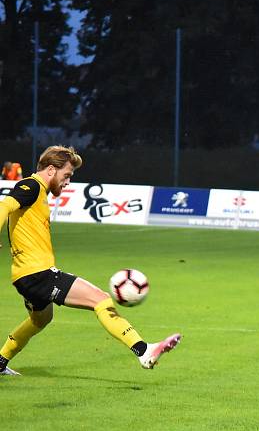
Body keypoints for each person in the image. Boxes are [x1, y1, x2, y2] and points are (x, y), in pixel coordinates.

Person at [0, 146, 181, 377]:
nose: (67, 183)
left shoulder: (39, 193)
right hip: (38, 273)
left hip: (25, 275)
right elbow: (4, 205)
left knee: (40, 319)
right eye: (66, 176)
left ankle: (1, 360)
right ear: (51, 170)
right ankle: (144, 351)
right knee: (101, 300)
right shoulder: (32, 185)